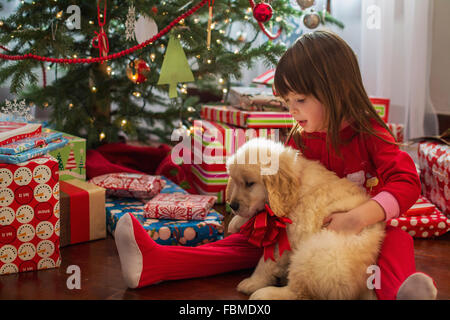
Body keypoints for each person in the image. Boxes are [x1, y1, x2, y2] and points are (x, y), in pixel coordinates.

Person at [114, 30, 437, 300]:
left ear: (339, 93)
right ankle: (158, 262)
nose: (292, 111)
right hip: (298, 230)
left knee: (398, 241)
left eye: (300, 101)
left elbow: (407, 182)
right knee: (251, 242)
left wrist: (357, 218)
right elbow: (278, 191)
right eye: (286, 103)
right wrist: (254, 217)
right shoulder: (300, 136)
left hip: (357, 233)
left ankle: (399, 293)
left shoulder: (370, 132)